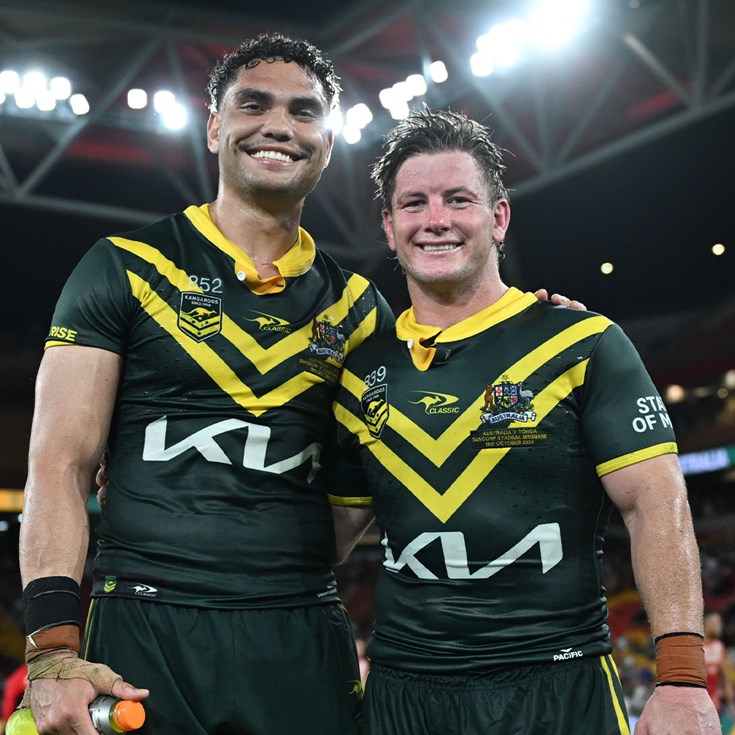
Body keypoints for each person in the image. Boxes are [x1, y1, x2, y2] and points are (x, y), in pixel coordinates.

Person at [18, 33, 396, 735]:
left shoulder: (361, 310)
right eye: (254, 105)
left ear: (328, 141)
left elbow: (360, 496)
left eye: (304, 112)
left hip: (300, 633)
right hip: (143, 626)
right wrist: (52, 650)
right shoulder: (125, 266)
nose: (278, 125)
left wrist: (531, 326)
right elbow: (59, 462)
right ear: (216, 127)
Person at [326, 107, 722, 734]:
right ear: (389, 225)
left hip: (557, 685)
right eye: (414, 203)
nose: (435, 219)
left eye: (458, 199)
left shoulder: (581, 343)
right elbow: (330, 535)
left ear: (499, 217)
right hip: (404, 693)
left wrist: (679, 677)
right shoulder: (360, 369)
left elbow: (655, 505)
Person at [704, 611, 735, 726]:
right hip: (696, 700)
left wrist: (730, 704)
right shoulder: (695, 645)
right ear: (705, 623)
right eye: (715, 622)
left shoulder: (719, 646)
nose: (719, 626)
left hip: (714, 703)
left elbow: (724, 677)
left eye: (720, 623)